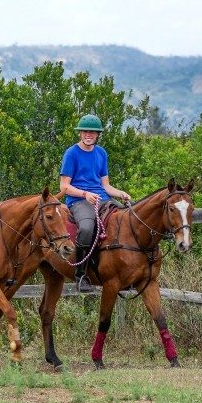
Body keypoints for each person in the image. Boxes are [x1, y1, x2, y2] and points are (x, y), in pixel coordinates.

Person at [59, 114, 131, 292]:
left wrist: (121, 193)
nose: (88, 134)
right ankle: (81, 275)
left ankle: (125, 271)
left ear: (98, 134)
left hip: (102, 198)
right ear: (80, 133)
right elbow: (64, 186)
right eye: (85, 131)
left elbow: (105, 185)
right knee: (86, 228)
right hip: (78, 200)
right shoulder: (71, 153)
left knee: (124, 219)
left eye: (92, 132)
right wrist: (84, 194)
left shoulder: (101, 153)